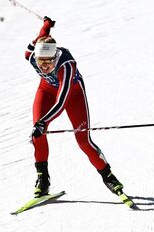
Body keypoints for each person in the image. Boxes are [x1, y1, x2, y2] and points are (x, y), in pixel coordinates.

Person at [25, 16, 134, 208]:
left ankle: (108, 177)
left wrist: (44, 122)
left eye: (48, 63)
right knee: (37, 134)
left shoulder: (66, 65)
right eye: (40, 62)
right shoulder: (31, 55)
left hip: (72, 94)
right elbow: (41, 37)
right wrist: (46, 25)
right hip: (46, 90)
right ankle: (43, 180)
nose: (44, 66)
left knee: (83, 141)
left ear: (55, 57)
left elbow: (61, 101)